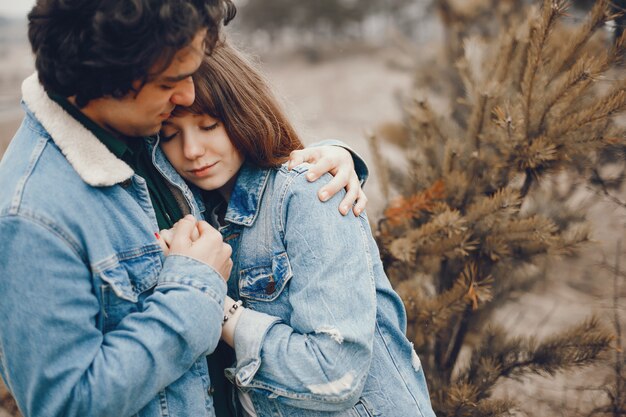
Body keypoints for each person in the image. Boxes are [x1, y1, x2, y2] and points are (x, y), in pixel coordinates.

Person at [0, 1, 368, 416]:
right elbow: (64, 405)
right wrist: (195, 286)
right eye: (170, 82)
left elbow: (246, 167)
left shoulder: (141, 130)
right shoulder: (30, 217)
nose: (187, 95)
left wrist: (328, 156)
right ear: (108, 78)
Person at [156, 41, 436, 417]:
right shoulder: (201, 221)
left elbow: (335, 372)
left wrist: (214, 304)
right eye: (171, 135)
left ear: (244, 113)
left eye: (209, 125)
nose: (191, 150)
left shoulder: (309, 192)